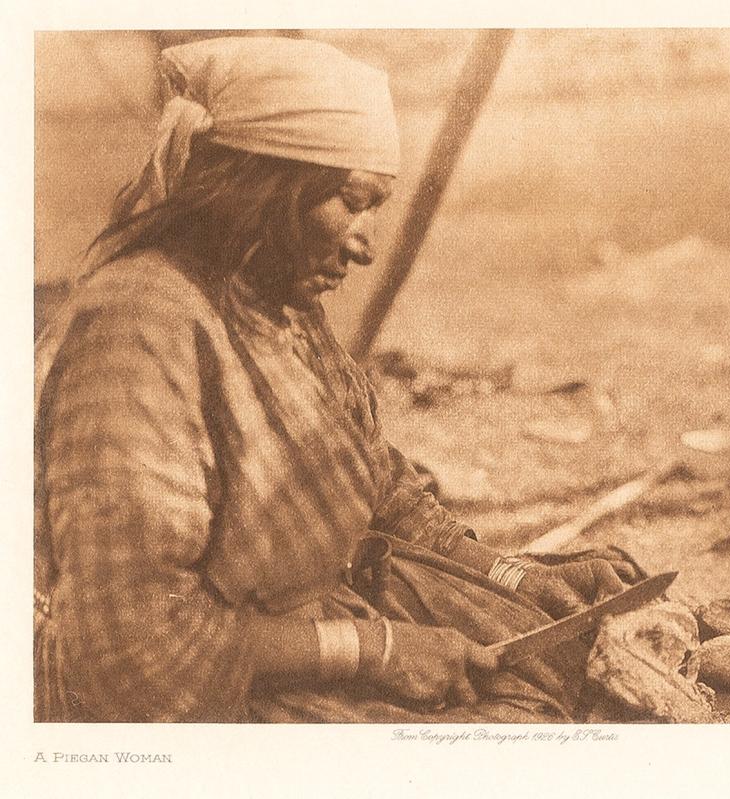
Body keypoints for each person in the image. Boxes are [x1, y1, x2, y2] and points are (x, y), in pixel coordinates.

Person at [33, 36, 643, 723]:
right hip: (180, 701)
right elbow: (132, 645)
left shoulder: (273, 309)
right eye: (352, 201)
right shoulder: (137, 330)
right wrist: (374, 649)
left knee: (568, 669)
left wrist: (513, 575)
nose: (365, 242)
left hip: (303, 631)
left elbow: (377, 492)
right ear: (263, 187)